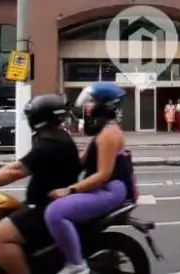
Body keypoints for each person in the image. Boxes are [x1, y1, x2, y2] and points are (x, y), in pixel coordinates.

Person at [0, 94, 81, 274]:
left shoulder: (51, 144)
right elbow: (17, 166)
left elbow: (16, 172)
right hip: (42, 203)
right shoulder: (52, 136)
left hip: (46, 207)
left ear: (39, 117)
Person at [44, 82, 137, 274]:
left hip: (109, 190)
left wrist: (70, 190)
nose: (87, 107)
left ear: (105, 105)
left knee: (55, 213)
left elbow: (102, 175)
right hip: (103, 188)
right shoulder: (102, 132)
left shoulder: (109, 134)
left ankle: (76, 265)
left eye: (91, 102)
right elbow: (81, 162)